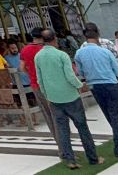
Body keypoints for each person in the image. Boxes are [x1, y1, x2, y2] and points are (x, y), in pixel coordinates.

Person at [35, 29, 102, 169]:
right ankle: (93, 158)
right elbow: (70, 76)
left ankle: (70, 160)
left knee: (62, 130)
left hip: (53, 98)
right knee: (82, 127)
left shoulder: (38, 57)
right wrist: (80, 85)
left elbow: (40, 80)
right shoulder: (61, 55)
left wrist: (47, 95)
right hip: (70, 96)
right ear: (54, 39)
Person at [75, 27, 118, 158]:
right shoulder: (105, 51)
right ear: (97, 37)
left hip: (94, 86)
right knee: (117, 116)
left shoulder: (79, 53)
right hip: (110, 84)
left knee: (109, 115)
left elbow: (80, 72)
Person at [21, 27, 60, 151]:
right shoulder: (45, 49)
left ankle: (59, 143)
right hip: (52, 84)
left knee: (48, 115)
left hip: (36, 85)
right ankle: (64, 144)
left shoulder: (25, 50)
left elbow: (22, 67)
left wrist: (31, 74)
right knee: (58, 114)